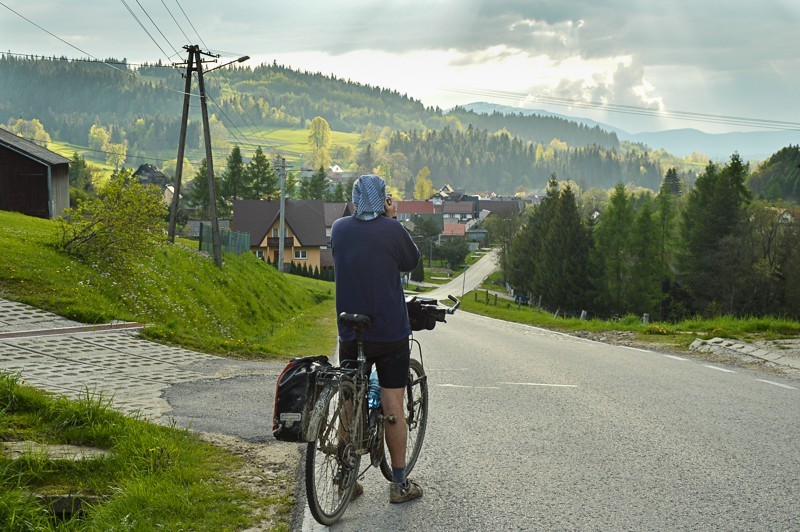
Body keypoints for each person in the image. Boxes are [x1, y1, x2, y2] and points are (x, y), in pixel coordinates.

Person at [330, 174, 423, 504]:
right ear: (384, 199)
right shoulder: (392, 229)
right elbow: (411, 262)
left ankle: (344, 478)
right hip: (389, 333)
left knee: (349, 400)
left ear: (354, 199)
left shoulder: (339, 229)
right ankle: (399, 484)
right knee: (393, 404)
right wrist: (392, 218)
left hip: (349, 330)